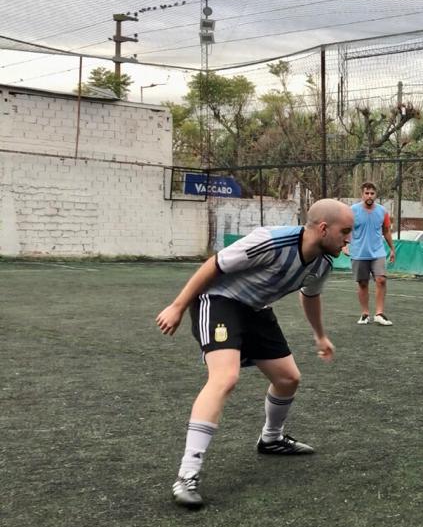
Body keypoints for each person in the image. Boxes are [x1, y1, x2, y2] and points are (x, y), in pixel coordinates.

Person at [155, 199, 354, 509]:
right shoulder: (271, 241)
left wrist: (320, 335)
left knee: (288, 379)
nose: (349, 239)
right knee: (225, 377)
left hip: (256, 309)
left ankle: (271, 439)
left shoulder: (322, 263)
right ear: (324, 228)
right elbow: (214, 265)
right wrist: (177, 306)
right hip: (219, 300)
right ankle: (187, 474)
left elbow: (310, 296)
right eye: (345, 231)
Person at [344, 182, 396, 326]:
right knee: (363, 283)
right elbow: (346, 229)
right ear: (362, 194)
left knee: (381, 280)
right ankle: (365, 314)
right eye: (366, 193)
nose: (369, 196)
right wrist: (344, 245)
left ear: (375, 195)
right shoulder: (352, 211)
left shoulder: (382, 211)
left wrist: (392, 249)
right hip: (359, 253)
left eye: (372, 193)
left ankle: (379, 313)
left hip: (378, 252)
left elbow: (386, 231)